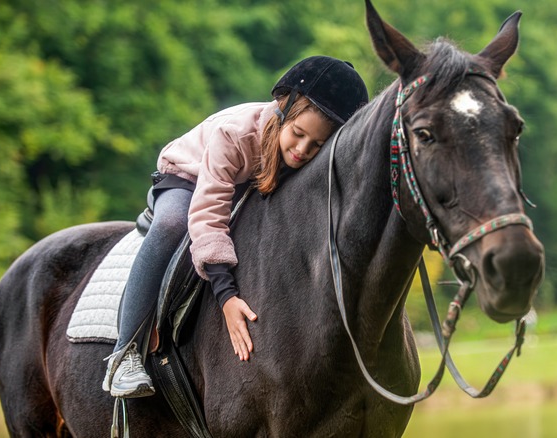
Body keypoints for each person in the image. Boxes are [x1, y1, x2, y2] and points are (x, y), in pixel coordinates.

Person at [102, 56, 369, 398]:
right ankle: (124, 353)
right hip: (190, 177)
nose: (302, 150)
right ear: (282, 110)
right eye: (298, 134)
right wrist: (226, 296)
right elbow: (208, 212)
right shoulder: (236, 134)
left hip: (247, 182)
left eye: (316, 145)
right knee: (172, 224)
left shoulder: (303, 152)